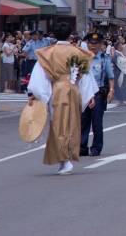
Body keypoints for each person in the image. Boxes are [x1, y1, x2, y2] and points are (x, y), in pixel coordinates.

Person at [27, 23, 98, 175]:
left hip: (56, 89)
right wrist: (90, 95)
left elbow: (40, 79)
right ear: (70, 35)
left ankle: (63, 160)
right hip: (73, 88)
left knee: (58, 124)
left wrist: (39, 95)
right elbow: (85, 76)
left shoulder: (48, 53)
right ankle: (67, 158)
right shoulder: (77, 52)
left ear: (54, 35)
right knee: (73, 123)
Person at [79, 33, 114, 157]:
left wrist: (111, 90)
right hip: (84, 93)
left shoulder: (104, 58)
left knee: (97, 122)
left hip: (98, 93)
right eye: (91, 43)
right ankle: (82, 146)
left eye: (96, 43)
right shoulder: (81, 57)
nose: (93, 46)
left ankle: (96, 148)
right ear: (87, 44)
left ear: (100, 45)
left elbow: (110, 77)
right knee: (83, 121)